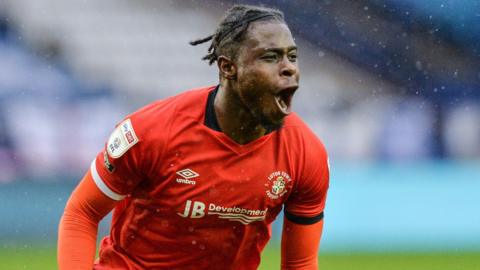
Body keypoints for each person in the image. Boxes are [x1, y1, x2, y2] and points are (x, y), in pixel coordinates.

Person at [58, 4, 329, 270]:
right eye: (270, 57)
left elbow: (300, 264)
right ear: (228, 67)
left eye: (292, 56)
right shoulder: (152, 131)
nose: (289, 68)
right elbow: (82, 213)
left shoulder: (306, 153)